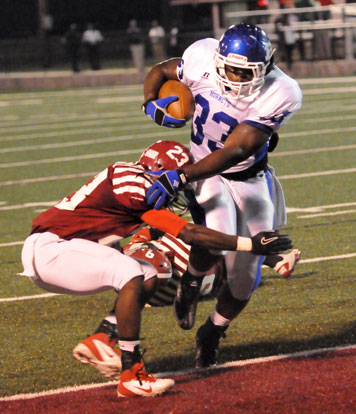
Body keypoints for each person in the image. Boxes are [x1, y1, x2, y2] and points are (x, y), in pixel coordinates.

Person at [19, 140, 291, 394]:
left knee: (151, 272)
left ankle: (103, 337)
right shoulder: (131, 182)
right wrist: (250, 245)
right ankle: (132, 373)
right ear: (159, 171)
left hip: (63, 251)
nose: (178, 189)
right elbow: (191, 234)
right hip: (51, 251)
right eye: (177, 178)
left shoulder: (137, 184)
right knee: (131, 272)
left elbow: (185, 232)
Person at [141, 23, 302, 368]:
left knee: (246, 277)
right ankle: (192, 280)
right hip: (204, 168)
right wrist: (150, 102)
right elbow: (160, 70)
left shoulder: (282, 91)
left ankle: (212, 330)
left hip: (247, 176)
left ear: (267, 67)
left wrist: (180, 176)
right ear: (217, 60)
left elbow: (236, 150)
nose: (235, 78)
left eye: (245, 72)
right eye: (230, 68)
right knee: (217, 234)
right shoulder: (201, 57)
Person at [73, 223, 297, 378]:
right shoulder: (144, 237)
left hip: (171, 279)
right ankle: (105, 334)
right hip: (157, 273)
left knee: (238, 267)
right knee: (198, 243)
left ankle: (206, 321)